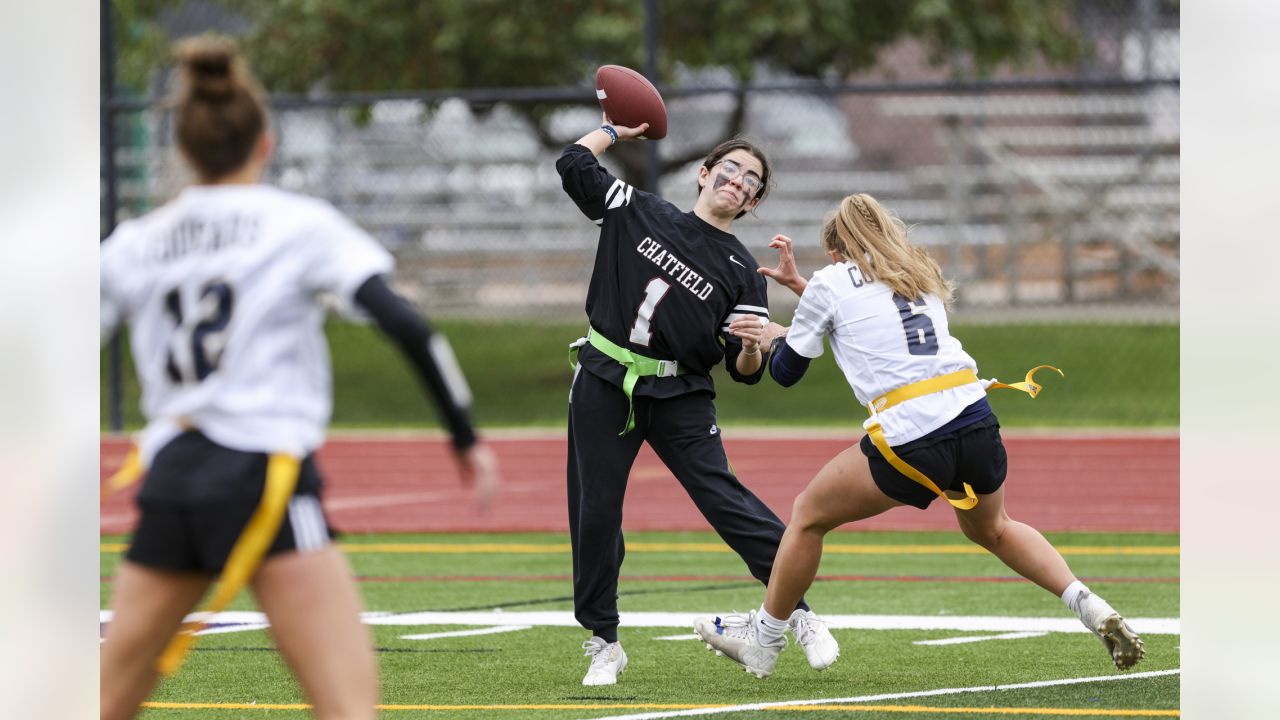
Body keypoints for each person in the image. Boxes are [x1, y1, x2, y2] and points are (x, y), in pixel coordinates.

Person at [98, 36, 500, 720]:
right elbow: (407, 326)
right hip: (263, 480)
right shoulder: (299, 225)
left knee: (104, 700)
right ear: (267, 143)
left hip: (172, 481)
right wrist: (465, 438)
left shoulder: (137, 241)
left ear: (183, 151)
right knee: (347, 708)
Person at [693, 193, 1144, 678]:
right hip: (973, 416)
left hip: (912, 434)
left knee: (807, 516)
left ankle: (764, 640)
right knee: (993, 528)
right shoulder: (915, 269)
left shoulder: (829, 282)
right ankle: (1088, 604)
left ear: (837, 251)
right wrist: (806, 294)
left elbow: (784, 374)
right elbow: (872, 315)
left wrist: (775, 335)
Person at [554, 118, 838, 686]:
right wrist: (613, 128)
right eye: (729, 168)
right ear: (704, 174)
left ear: (753, 202)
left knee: (723, 497)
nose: (738, 180)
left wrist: (755, 349)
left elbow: (744, 370)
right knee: (596, 512)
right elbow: (572, 165)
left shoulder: (740, 271)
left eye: (751, 180)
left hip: (680, 389)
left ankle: (797, 612)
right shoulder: (639, 209)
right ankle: (604, 641)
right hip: (607, 377)